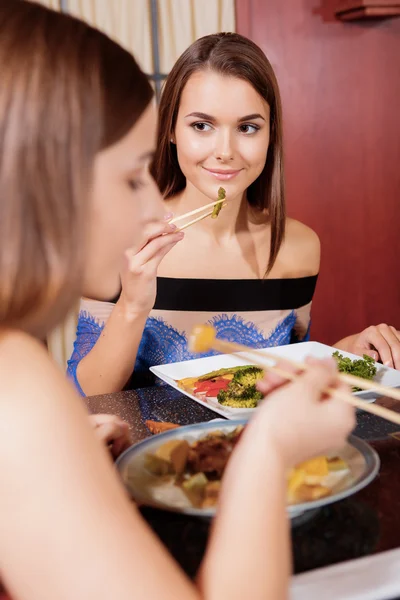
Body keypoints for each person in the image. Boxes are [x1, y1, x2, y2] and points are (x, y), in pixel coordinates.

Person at [0, 3, 355, 599]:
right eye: (133, 176)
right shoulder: (18, 391)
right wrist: (266, 451)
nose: (150, 209)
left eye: (248, 126)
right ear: (46, 176)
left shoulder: (18, 370)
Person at [68, 32, 321, 396]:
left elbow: (290, 376)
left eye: (247, 128)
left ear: (271, 135)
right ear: (170, 129)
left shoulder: (298, 248)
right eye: (201, 125)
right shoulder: (115, 238)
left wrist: (350, 350)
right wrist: (133, 303)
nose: (225, 151)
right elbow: (87, 395)